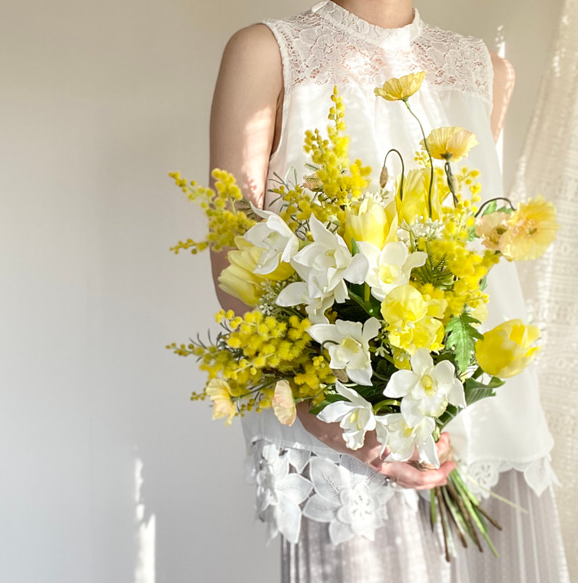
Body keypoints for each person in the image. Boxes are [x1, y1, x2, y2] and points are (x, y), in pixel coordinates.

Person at [207, 1, 570, 581]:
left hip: (477, 402)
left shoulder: (483, 68)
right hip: (337, 413)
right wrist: (316, 407)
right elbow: (232, 248)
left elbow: (477, 245)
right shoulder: (267, 51)